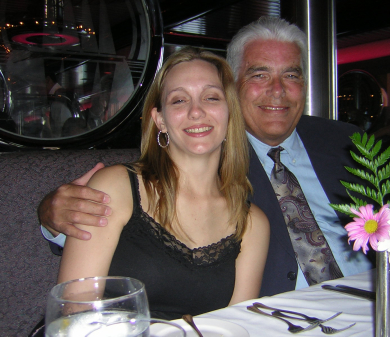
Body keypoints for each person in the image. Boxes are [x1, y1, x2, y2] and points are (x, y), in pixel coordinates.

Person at [39, 17, 373, 297]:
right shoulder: (199, 150)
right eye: (259, 75)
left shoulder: (347, 141)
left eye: (291, 74)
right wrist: (52, 214)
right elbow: (117, 217)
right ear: (235, 87)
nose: (277, 90)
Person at [55, 47, 270, 319]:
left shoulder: (252, 223)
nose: (196, 111)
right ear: (160, 120)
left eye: (211, 97)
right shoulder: (115, 187)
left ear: (229, 115)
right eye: (179, 100)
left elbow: (237, 327)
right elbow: (74, 311)